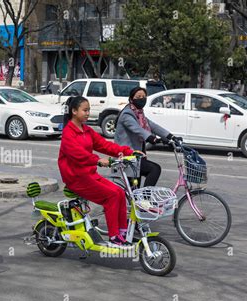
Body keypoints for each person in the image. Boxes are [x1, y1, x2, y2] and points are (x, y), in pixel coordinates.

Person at [58, 96, 142, 246]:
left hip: (89, 175)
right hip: (76, 178)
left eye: (89, 110)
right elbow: (77, 154)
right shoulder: (68, 133)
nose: (88, 113)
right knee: (110, 196)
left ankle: (123, 234)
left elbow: (105, 145)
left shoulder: (87, 130)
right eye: (85, 110)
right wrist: (97, 160)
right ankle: (114, 236)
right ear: (74, 111)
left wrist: (128, 152)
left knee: (120, 193)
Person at [114, 87, 181, 187]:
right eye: (138, 97)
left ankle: (140, 199)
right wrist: (153, 139)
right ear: (131, 99)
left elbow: (152, 125)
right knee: (154, 169)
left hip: (138, 155)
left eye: (144, 96)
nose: (142, 99)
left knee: (135, 187)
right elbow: (137, 129)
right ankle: (145, 197)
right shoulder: (127, 114)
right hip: (127, 155)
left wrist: (171, 136)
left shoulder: (139, 113)